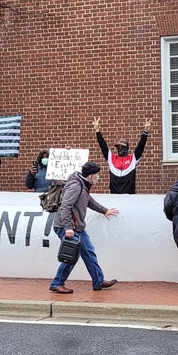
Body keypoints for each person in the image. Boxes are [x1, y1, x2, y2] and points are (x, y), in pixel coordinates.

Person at [49, 162, 119, 294]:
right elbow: (65, 206)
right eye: (97, 174)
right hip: (67, 227)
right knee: (71, 255)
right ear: (91, 175)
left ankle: (98, 281)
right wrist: (68, 227)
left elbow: (89, 201)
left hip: (77, 227)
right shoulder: (76, 186)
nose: (98, 176)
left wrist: (104, 210)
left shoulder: (84, 185)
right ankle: (57, 283)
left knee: (89, 252)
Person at [94, 117, 150, 194]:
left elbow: (141, 146)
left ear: (127, 148)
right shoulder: (111, 158)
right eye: (119, 147)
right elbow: (103, 145)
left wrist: (145, 132)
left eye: (123, 147)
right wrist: (97, 131)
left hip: (129, 196)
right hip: (114, 195)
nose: (120, 149)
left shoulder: (133, 159)